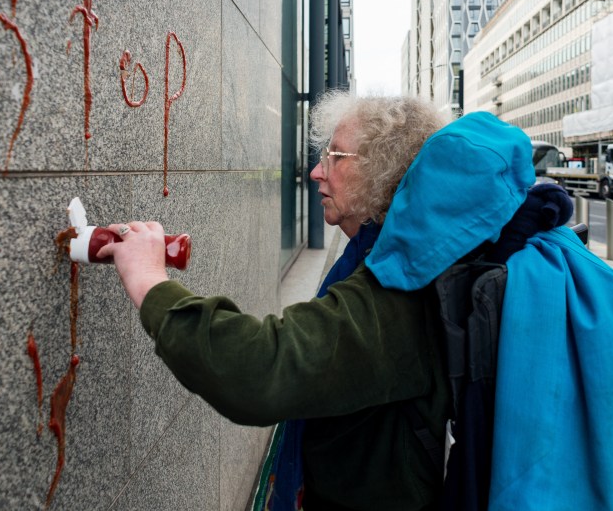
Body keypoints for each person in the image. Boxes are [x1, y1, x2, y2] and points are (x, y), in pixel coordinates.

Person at [100, 92, 454, 510]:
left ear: (384, 169)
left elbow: (263, 367)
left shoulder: (399, 289)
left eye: (335, 156)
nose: (317, 171)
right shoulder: (388, 259)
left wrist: (149, 281)